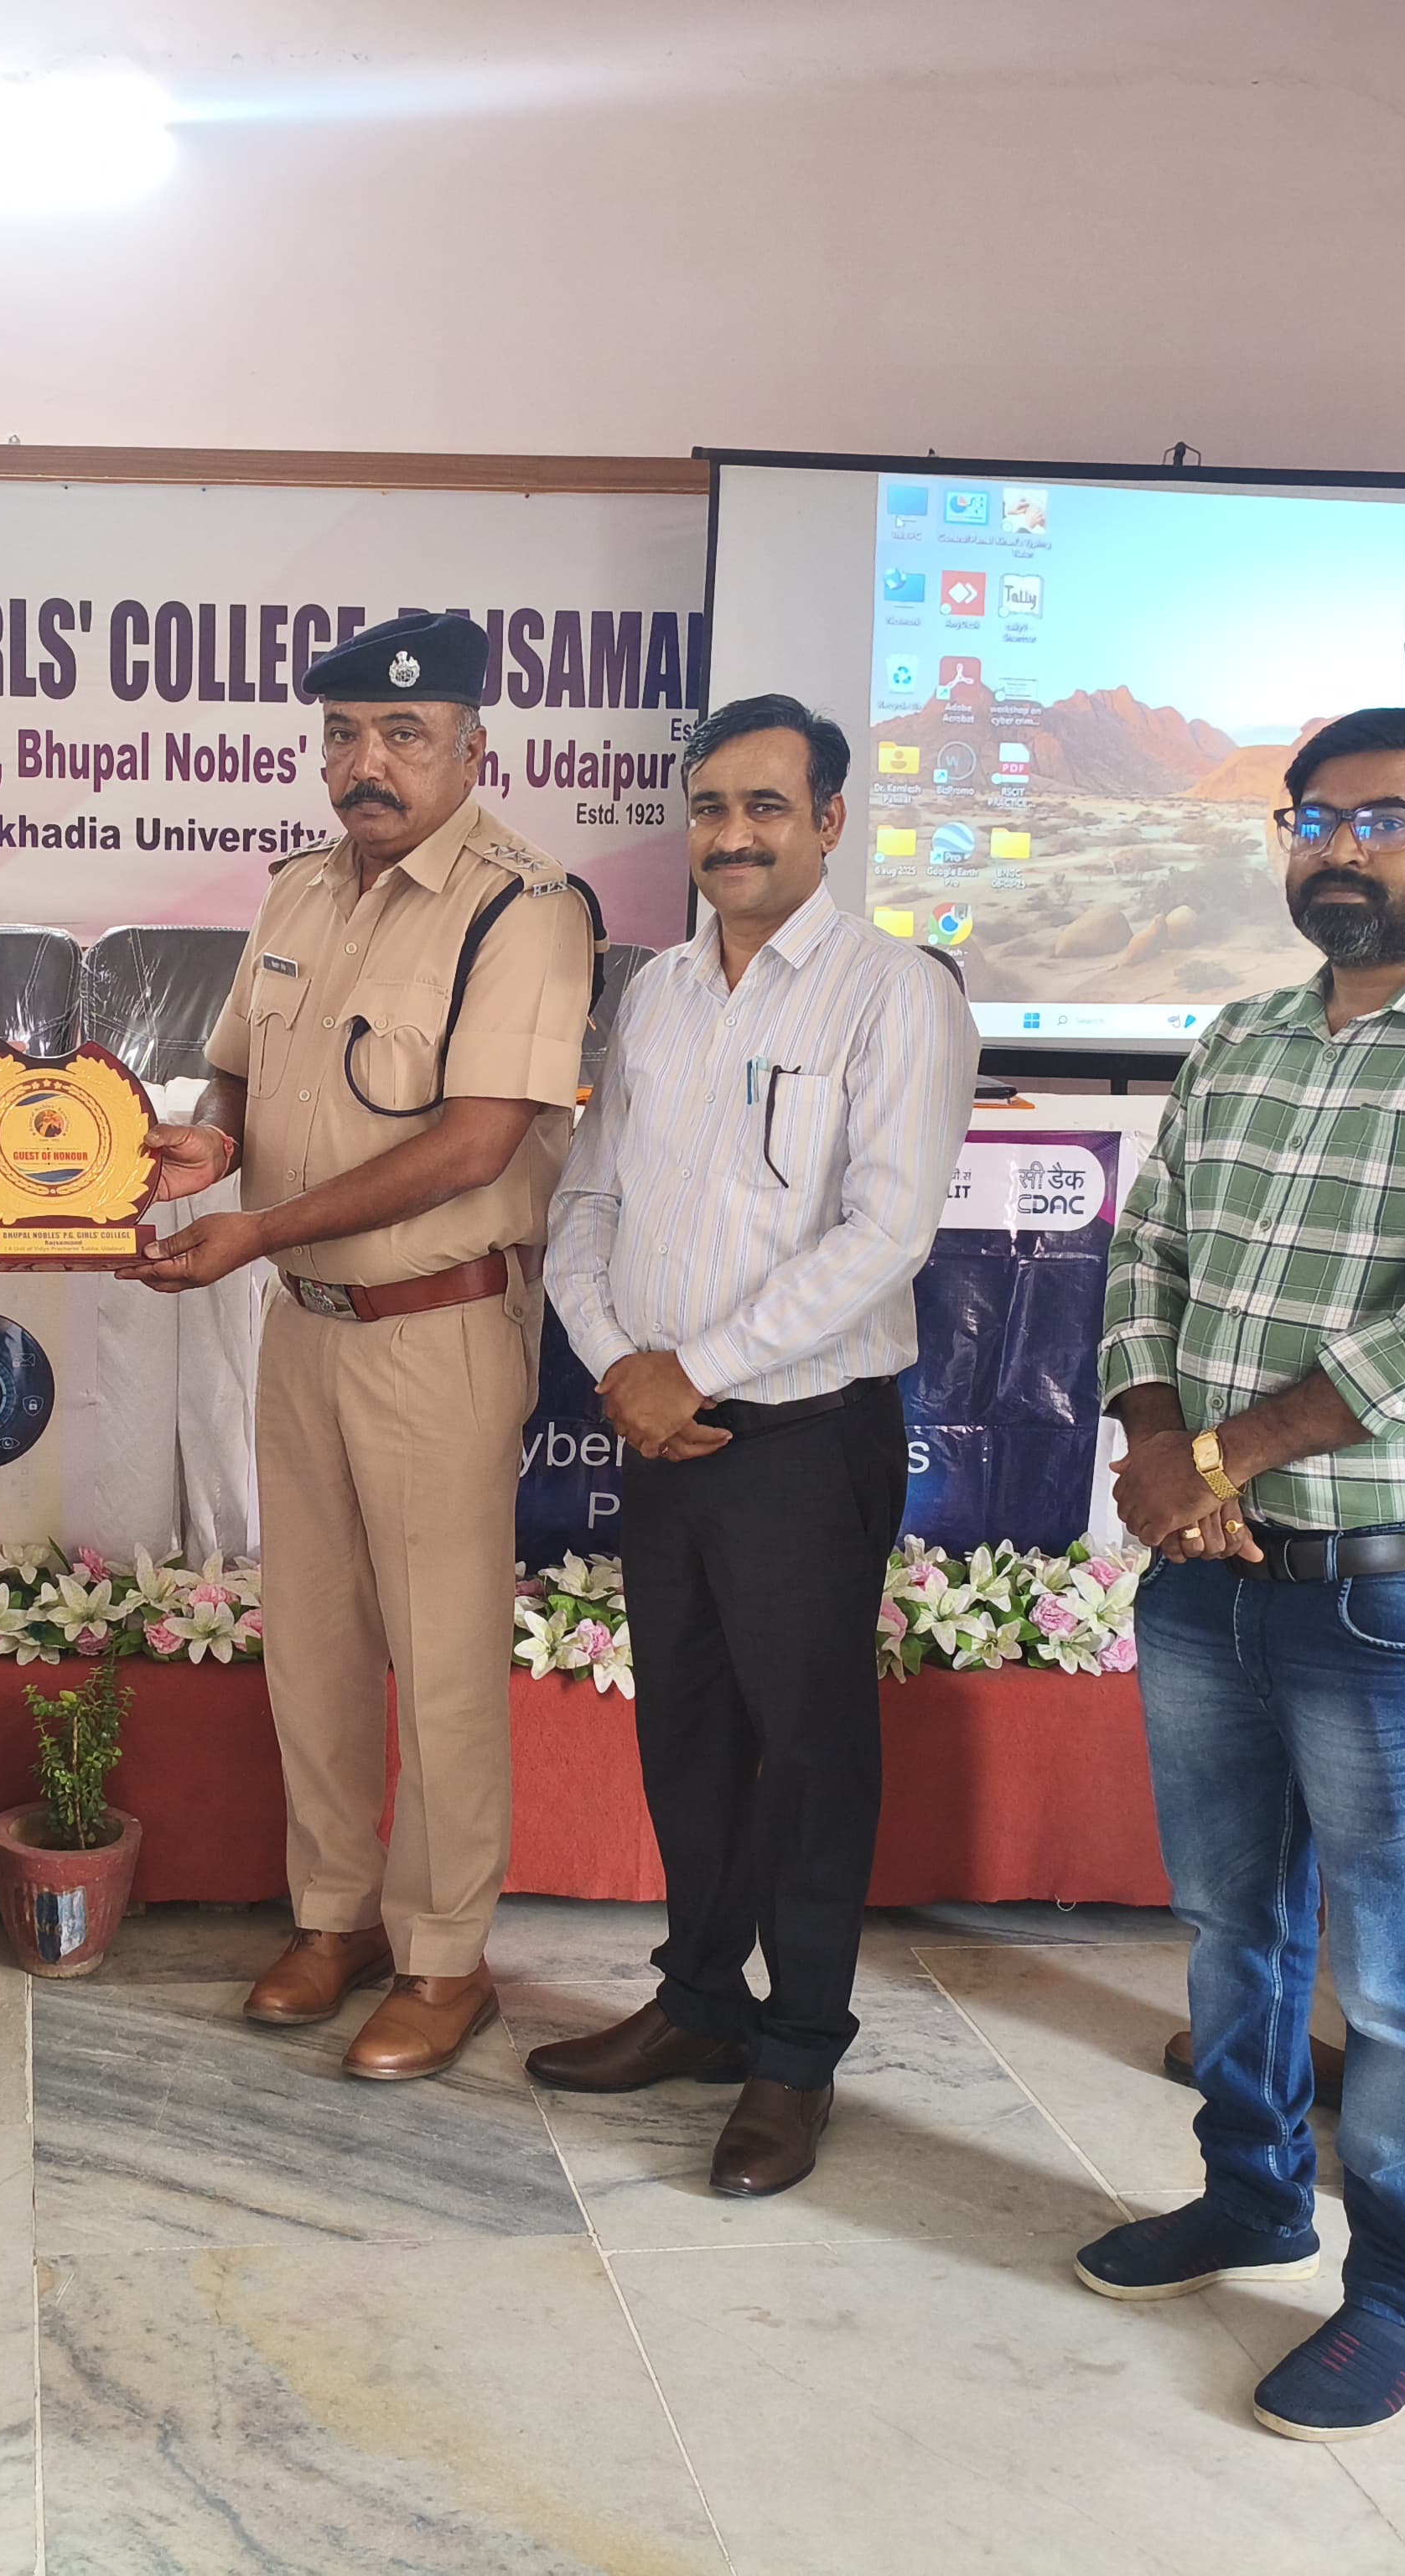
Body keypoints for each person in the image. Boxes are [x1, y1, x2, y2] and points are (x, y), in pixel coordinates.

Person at [1076, 706, 1405, 2439]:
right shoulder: (1239, 1038)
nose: (1337, 847)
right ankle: (1247, 2193)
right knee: (1232, 1922)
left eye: (1380, 821)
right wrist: (1158, 1440)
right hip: (1208, 1575)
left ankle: (1400, 2293)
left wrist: (1221, 1457)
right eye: (1311, 818)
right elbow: (1146, 1253)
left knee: (1399, 1965)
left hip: (1388, 1585)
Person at [127, 612, 596, 2080]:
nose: (365, 763)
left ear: (472, 748)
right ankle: (334, 1916)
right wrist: (209, 1143)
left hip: (435, 1328)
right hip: (305, 1326)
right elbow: (232, 1069)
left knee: (440, 1659)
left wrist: (258, 1227)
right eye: (342, 735)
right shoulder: (299, 890)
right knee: (315, 1644)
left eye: (403, 734)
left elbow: (476, 1143)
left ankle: (445, 1956)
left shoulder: (525, 909)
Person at [531, 694, 974, 2196]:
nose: (732, 834)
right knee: (691, 1736)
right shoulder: (655, 992)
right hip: (663, 1434)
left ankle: (797, 2055)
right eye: (711, 805)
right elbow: (585, 1200)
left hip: (802, 1437)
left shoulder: (893, 995)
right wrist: (618, 1364)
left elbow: (885, 1233)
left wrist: (691, 1372)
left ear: (829, 821)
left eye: (766, 806)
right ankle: (702, 2002)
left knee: (810, 1752)